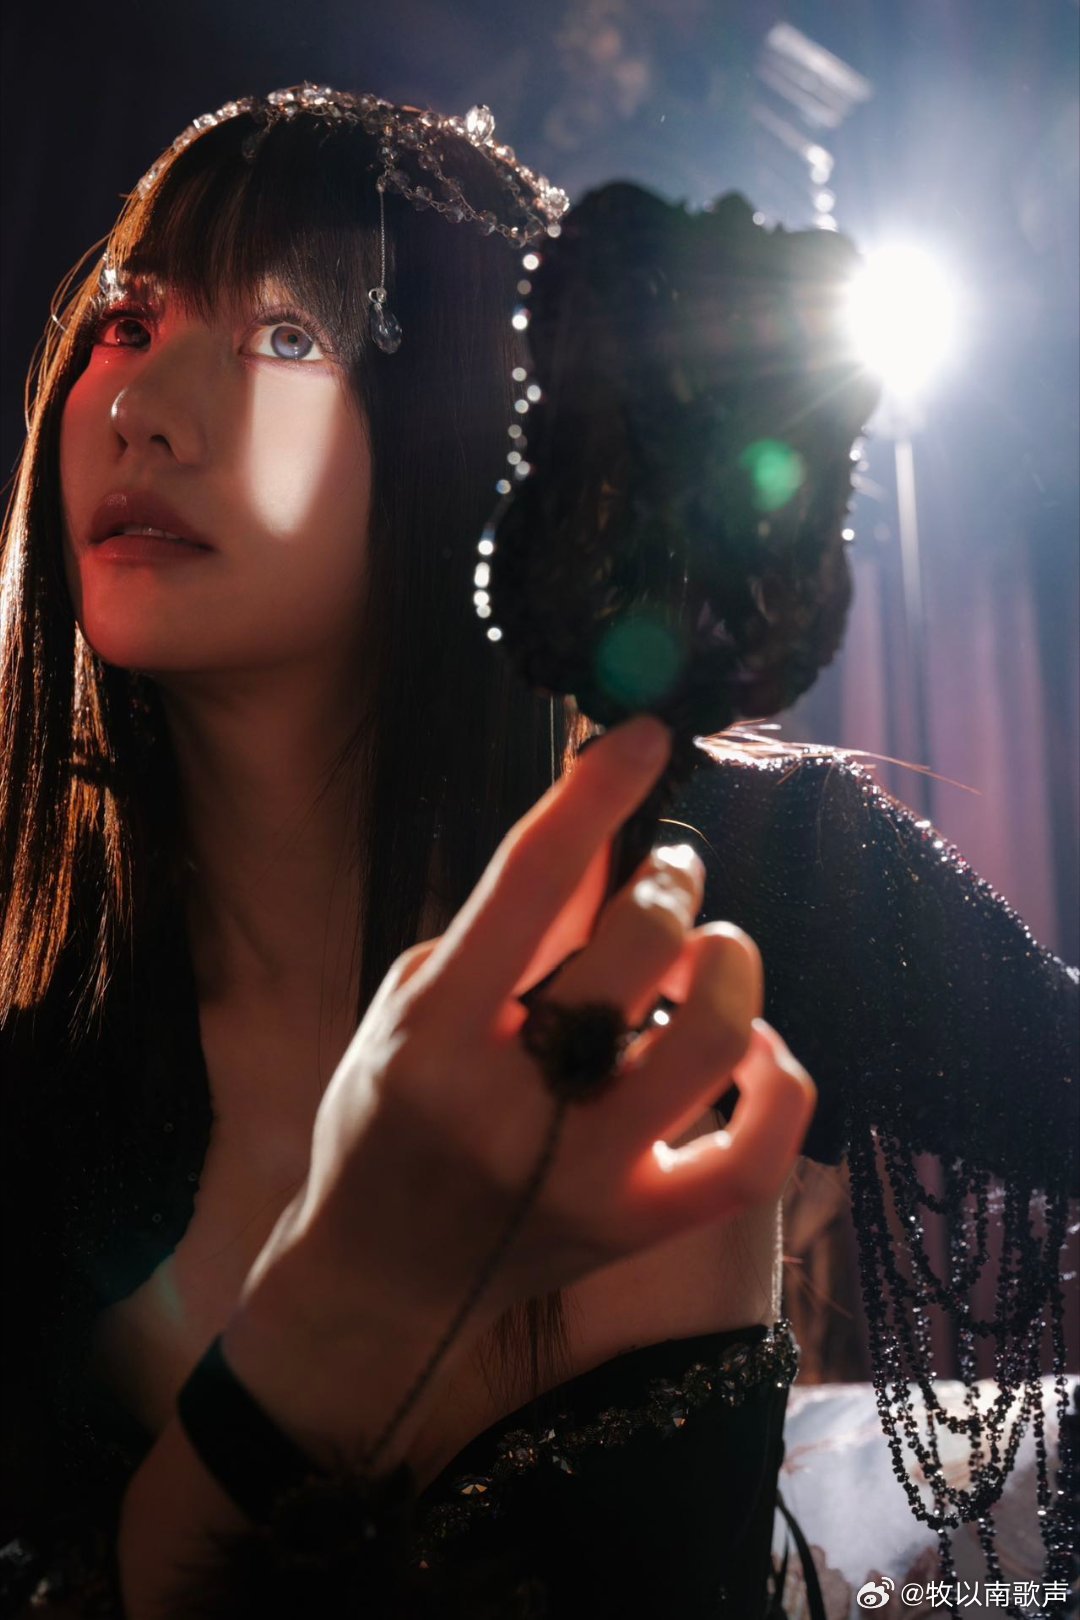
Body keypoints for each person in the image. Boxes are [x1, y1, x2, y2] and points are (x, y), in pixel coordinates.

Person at [0, 84, 1075, 1620]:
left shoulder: (747, 874)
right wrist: (341, 1311)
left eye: (287, 336)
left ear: (470, 430)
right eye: (126, 320)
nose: (139, 404)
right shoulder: (42, 1080)